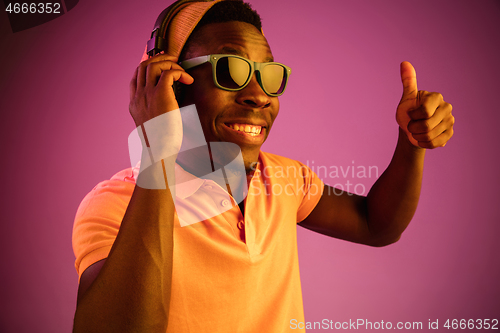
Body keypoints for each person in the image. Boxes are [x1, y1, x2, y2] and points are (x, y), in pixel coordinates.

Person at [72, 0, 455, 332]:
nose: (258, 95)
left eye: (269, 76)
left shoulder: (285, 179)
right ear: (167, 82)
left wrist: (410, 143)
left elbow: (377, 224)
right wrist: (158, 150)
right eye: (230, 70)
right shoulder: (115, 205)